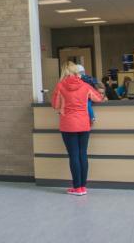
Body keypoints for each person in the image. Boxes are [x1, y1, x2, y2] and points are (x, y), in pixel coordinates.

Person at [51, 61, 106, 196]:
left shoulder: (60, 86)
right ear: (76, 72)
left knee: (74, 155)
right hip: (83, 124)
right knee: (83, 154)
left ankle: (77, 187)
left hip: (68, 125)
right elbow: (98, 98)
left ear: (65, 72)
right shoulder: (85, 85)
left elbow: (55, 105)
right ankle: (82, 187)